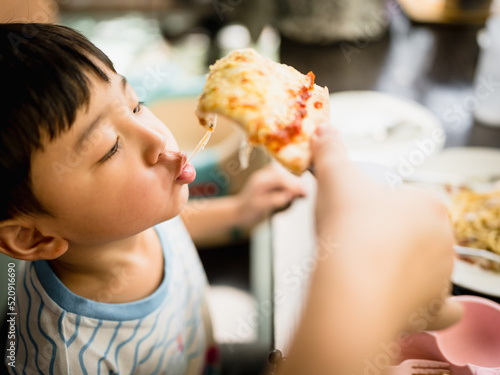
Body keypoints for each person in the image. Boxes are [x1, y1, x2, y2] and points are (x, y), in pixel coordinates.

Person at [0, 23, 461, 375]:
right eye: (110, 149)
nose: (158, 138)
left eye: (136, 104)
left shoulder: (119, 223)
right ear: (32, 236)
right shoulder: (68, 356)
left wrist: (239, 214)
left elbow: (172, 230)